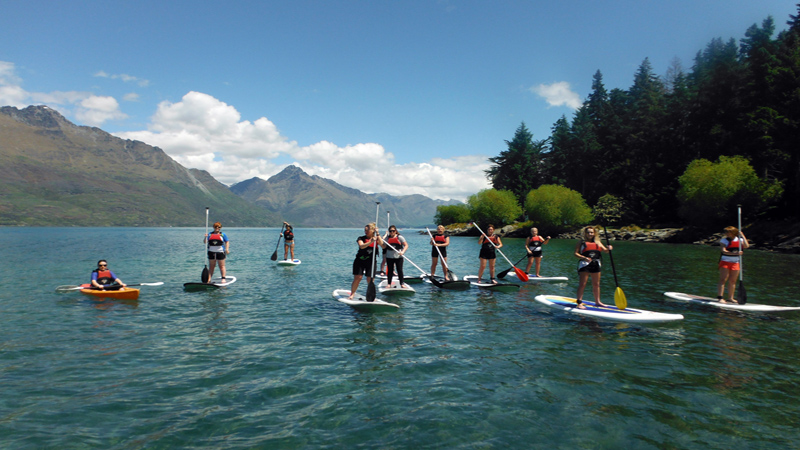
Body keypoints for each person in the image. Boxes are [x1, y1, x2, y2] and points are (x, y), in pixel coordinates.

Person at [574, 226, 612, 309]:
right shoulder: (581, 242)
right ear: (585, 233)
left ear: (594, 233)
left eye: (591, 232)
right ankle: (579, 302)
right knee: (583, 284)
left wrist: (609, 249)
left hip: (596, 263)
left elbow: (605, 251)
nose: (590, 234)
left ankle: (598, 302)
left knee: (596, 284)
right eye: (588, 232)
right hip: (585, 264)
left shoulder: (598, 242)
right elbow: (576, 253)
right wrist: (584, 257)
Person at [350, 222, 384, 300]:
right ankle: (352, 294)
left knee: (370, 279)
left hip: (371, 262)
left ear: (372, 230)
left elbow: (383, 245)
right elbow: (362, 246)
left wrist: (378, 234)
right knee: (358, 277)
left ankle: (371, 295)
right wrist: (370, 242)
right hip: (360, 261)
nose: (365, 232)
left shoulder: (377, 238)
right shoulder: (361, 238)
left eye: (367, 230)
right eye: (365, 230)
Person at [717, 226, 749, 303]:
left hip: (735, 262)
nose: (726, 234)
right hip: (725, 261)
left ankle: (730, 298)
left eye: (728, 232)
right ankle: (720, 297)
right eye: (726, 232)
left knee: (733, 281)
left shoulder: (740, 240)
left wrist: (742, 235)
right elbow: (724, 251)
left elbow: (746, 246)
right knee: (723, 279)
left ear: (733, 233)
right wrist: (735, 253)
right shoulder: (724, 240)